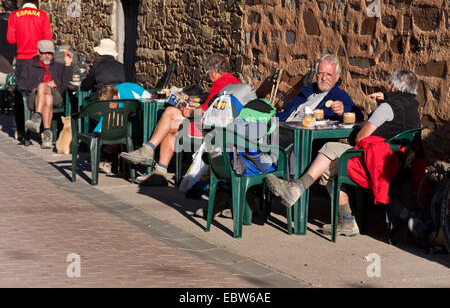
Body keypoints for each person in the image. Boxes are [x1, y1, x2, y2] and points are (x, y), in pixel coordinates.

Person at [265, 70, 421, 237]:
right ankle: (342, 218)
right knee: (325, 167)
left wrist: (371, 118)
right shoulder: (413, 109)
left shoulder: (387, 107)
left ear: (394, 87)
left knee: (329, 150)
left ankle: (299, 189)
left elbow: (361, 138)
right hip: (398, 164)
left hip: (376, 164)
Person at [120, 53, 240, 186]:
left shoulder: (220, 82)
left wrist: (189, 111)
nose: (208, 76)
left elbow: (204, 111)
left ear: (216, 71)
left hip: (214, 127)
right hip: (224, 124)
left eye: (208, 72)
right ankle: (159, 169)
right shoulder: (233, 81)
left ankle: (149, 151)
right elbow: (214, 106)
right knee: (172, 126)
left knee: (170, 112)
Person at [17, 40, 73, 148]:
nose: (47, 56)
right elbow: (21, 83)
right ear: (38, 52)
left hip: (56, 95)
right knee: (46, 95)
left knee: (44, 88)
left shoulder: (58, 66)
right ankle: (47, 135)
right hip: (35, 97)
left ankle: (36, 118)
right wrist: (45, 84)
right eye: (44, 53)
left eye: (50, 53)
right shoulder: (30, 65)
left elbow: (66, 83)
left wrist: (68, 64)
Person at [277, 54, 362, 123]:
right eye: (320, 74)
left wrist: (343, 111)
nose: (324, 78)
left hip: (305, 137)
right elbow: (288, 109)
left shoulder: (338, 95)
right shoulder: (308, 90)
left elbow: (359, 116)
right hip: (285, 128)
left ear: (336, 77)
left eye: (329, 74)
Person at [7, 0, 52, 77]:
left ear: (23, 4)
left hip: (21, 57)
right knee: (39, 85)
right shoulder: (43, 15)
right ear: (36, 5)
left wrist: (21, 38)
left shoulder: (14, 15)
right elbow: (48, 39)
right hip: (38, 57)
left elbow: (11, 39)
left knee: (23, 86)